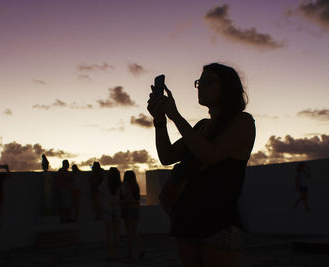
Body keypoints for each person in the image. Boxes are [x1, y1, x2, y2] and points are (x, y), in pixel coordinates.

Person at [147, 63, 256, 267]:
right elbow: (167, 156)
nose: (200, 86)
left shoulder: (242, 122)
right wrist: (160, 121)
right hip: (187, 221)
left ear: (226, 87)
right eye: (199, 82)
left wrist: (176, 116)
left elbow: (211, 155)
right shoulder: (200, 127)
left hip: (218, 223)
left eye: (207, 82)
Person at [121, 170, 145, 259]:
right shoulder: (136, 186)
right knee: (134, 231)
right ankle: (141, 247)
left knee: (129, 232)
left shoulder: (126, 186)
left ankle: (130, 252)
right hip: (136, 209)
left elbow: (128, 199)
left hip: (128, 209)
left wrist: (120, 203)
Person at [101, 167, 122, 261]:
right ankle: (117, 254)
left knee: (109, 235)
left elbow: (100, 196)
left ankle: (111, 254)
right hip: (117, 209)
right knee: (116, 234)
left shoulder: (104, 184)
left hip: (107, 210)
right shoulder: (120, 185)